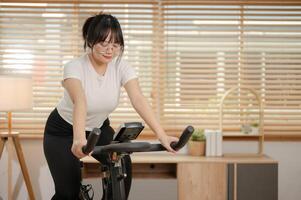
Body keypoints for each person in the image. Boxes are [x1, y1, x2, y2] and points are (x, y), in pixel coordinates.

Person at [43, 12, 179, 200]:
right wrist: (79, 139)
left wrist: (162, 135)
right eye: (104, 44)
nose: (110, 50)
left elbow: (138, 99)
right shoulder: (74, 67)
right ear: (90, 41)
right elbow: (80, 101)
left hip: (98, 128)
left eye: (115, 45)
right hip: (63, 132)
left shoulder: (121, 66)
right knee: (68, 193)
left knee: (122, 167)